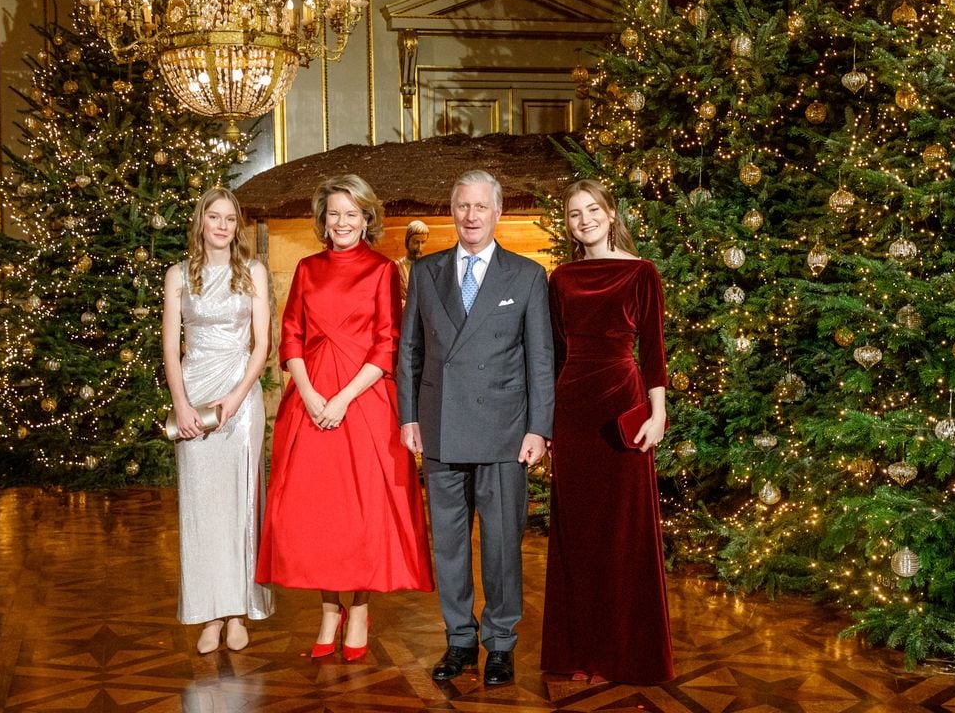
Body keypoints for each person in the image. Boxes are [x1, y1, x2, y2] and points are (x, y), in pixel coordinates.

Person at [256, 174, 434, 661]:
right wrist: (311, 394)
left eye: (351, 213)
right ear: (323, 218)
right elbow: (290, 334)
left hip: (364, 401)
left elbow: (387, 342)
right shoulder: (307, 269)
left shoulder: (381, 270)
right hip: (310, 400)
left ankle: (358, 609)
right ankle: (328, 610)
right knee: (318, 516)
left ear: (367, 218)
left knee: (361, 515)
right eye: (334, 213)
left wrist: (342, 399)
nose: (342, 222)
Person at [397, 169, 554, 686]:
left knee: (504, 544)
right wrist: (409, 416)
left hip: (505, 432)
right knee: (449, 543)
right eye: (462, 206)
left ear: (497, 212)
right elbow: (410, 352)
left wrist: (539, 428)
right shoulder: (427, 272)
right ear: (452, 209)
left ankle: (501, 643)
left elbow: (540, 360)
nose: (470, 216)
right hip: (440, 428)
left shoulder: (527, 275)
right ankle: (460, 640)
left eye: (480, 207)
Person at [539, 178, 674, 685]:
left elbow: (654, 351)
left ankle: (624, 654)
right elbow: (553, 356)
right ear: (569, 225)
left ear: (612, 214)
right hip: (572, 410)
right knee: (578, 536)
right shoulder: (561, 279)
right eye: (575, 214)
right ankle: (579, 652)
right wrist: (546, 424)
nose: (585, 220)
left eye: (593, 209)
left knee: (625, 534)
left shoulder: (642, 273)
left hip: (623, 403)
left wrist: (657, 414)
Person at [162, 187, 274, 654]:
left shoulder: (253, 272)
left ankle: (236, 612)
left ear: (237, 225)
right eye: (215, 217)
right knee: (200, 507)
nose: (223, 225)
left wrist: (236, 396)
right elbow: (171, 347)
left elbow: (262, 345)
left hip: (240, 398)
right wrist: (182, 404)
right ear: (201, 223)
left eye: (231, 218)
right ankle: (207, 615)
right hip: (194, 391)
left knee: (239, 505)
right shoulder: (177, 276)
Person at [394, 219, 429, 305]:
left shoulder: (429, 266)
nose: (419, 248)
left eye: (423, 242)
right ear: (407, 241)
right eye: (415, 242)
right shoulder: (396, 267)